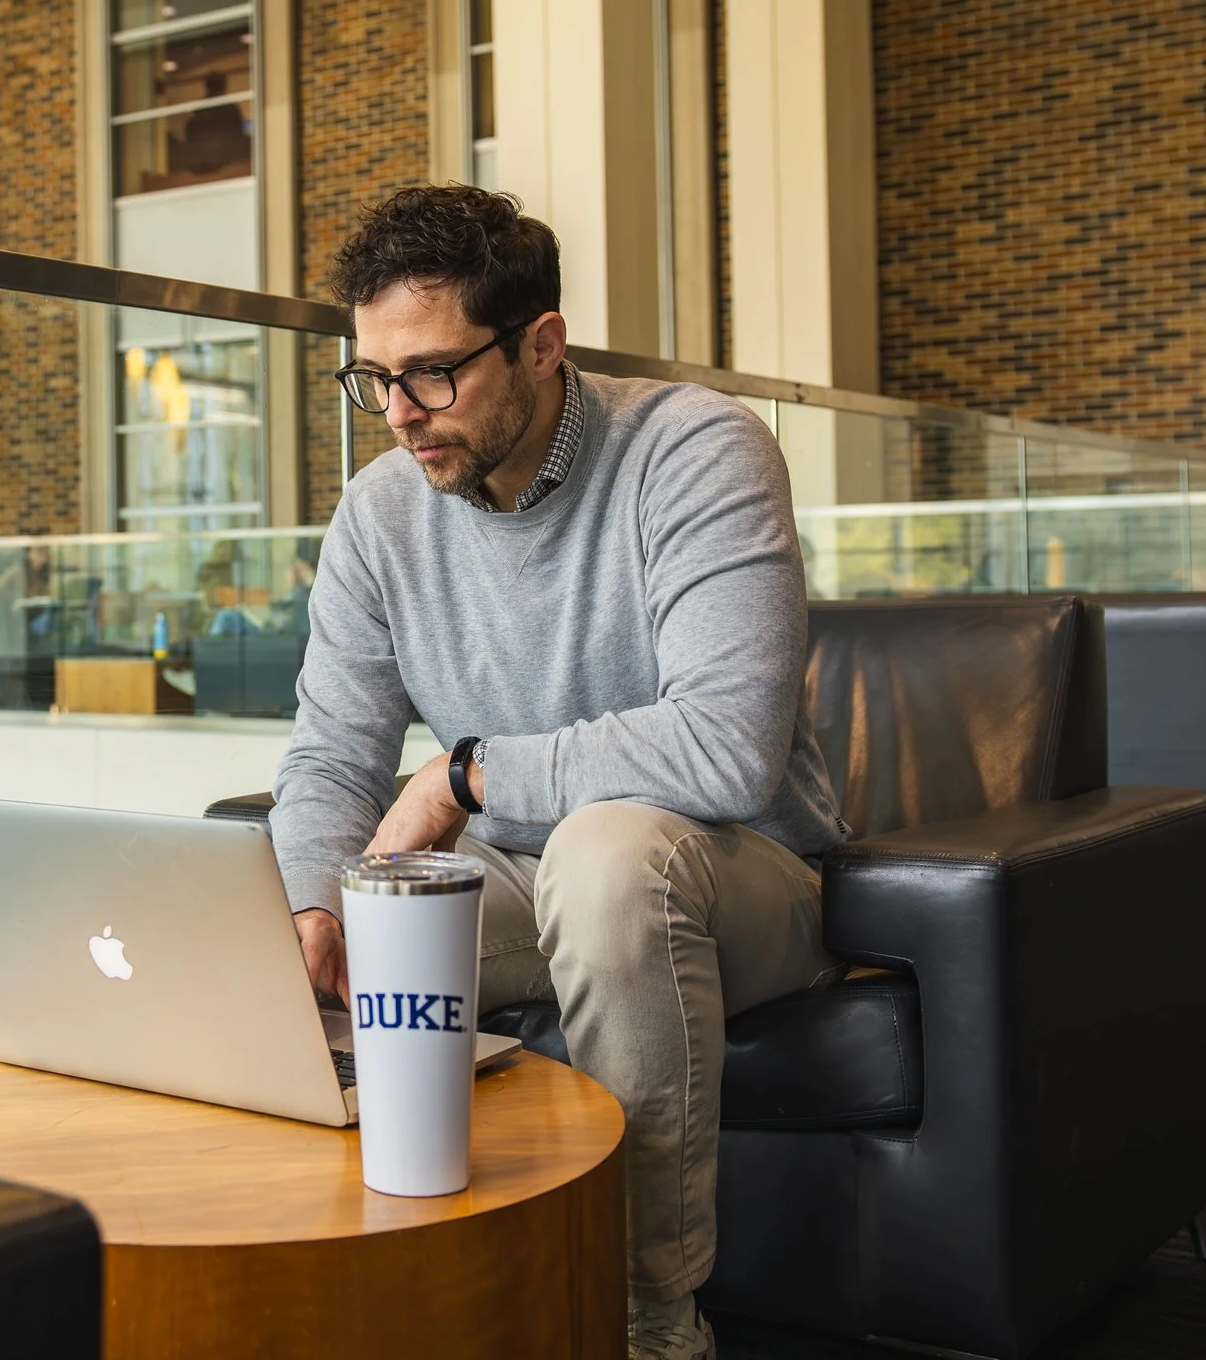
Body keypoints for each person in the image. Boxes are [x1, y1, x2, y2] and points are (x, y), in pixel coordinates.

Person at [270, 185, 845, 1360]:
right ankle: (352, 1300)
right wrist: (307, 903)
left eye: (431, 373)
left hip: (736, 876)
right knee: (281, 928)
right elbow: (332, 753)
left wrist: (466, 775)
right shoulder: (381, 512)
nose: (398, 413)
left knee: (605, 855)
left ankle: (647, 1328)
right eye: (373, 378)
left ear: (540, 344)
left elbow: (727, 745)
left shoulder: (692, 448)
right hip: (517, 878)